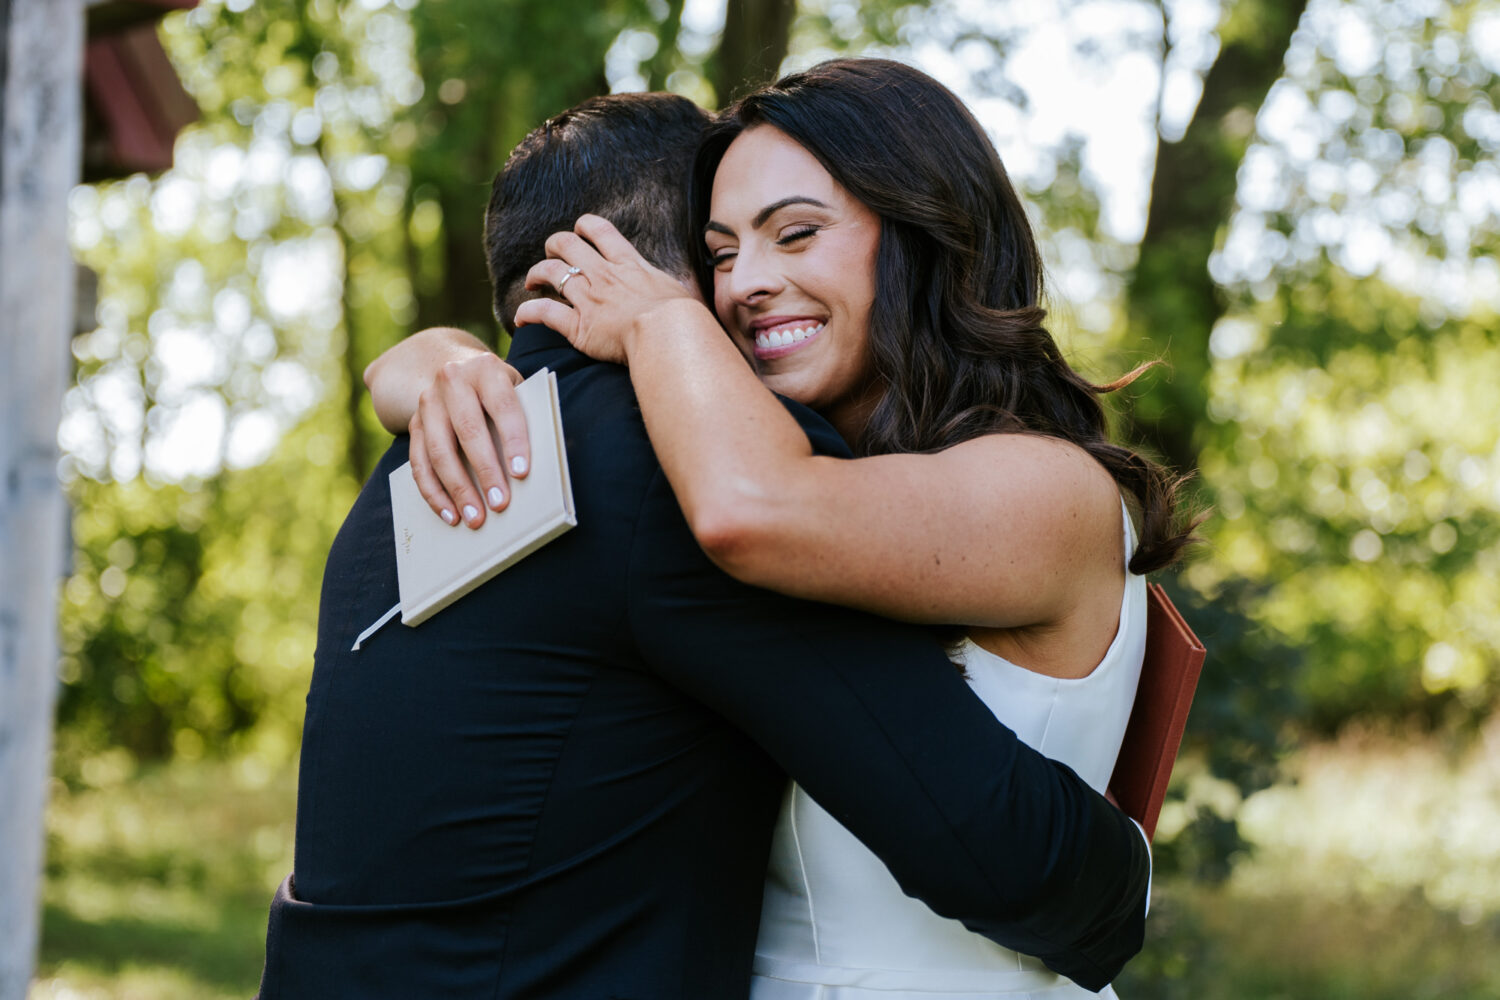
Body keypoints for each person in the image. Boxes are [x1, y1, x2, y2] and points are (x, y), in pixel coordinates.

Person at [259, 89, 1150, 1000]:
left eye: (794, 234)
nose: (743, 286)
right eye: (720, 253)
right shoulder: (627, 460)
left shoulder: (406, 484)